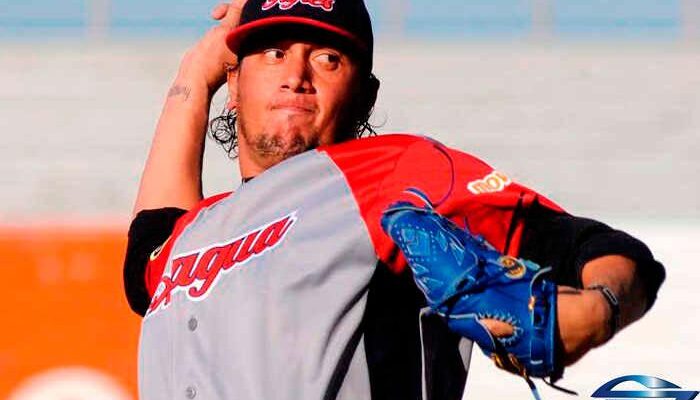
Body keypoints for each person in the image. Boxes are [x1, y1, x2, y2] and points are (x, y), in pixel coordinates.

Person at [123, 1, 665, 399]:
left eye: (327, 58)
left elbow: (599, 249)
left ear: (365, 95)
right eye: (274, 53)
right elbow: (145, 252)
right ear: (234, 81)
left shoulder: (390, 171)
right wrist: (194, 73)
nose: (295, 77)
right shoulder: (189, 235)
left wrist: (597, 310)